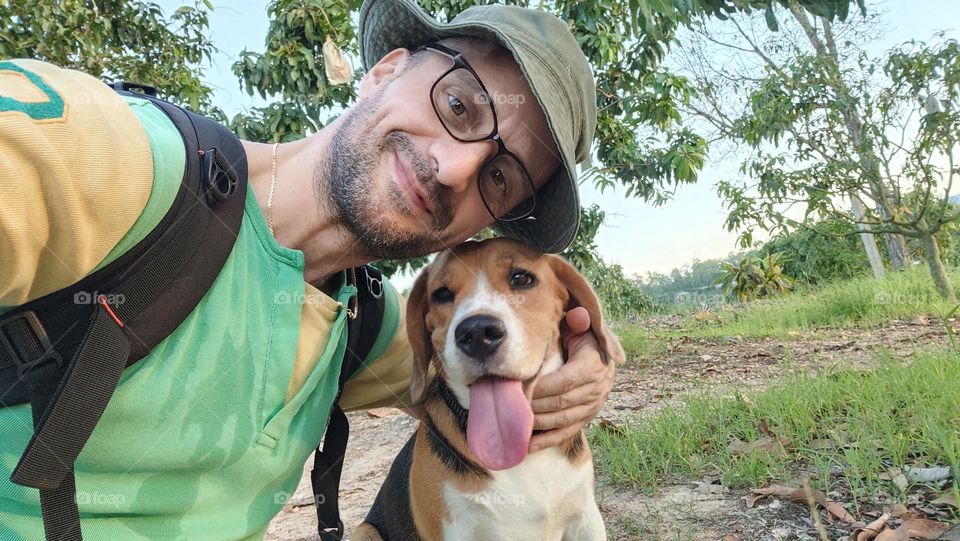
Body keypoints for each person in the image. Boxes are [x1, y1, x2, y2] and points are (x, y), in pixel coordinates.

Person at [0, 0, 615, 538]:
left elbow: (489, 363)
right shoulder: (117, 161)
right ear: (384, 72)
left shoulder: (367, 323)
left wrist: (587, 366)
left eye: (497, 178)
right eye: (458, 105)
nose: (455, 168)